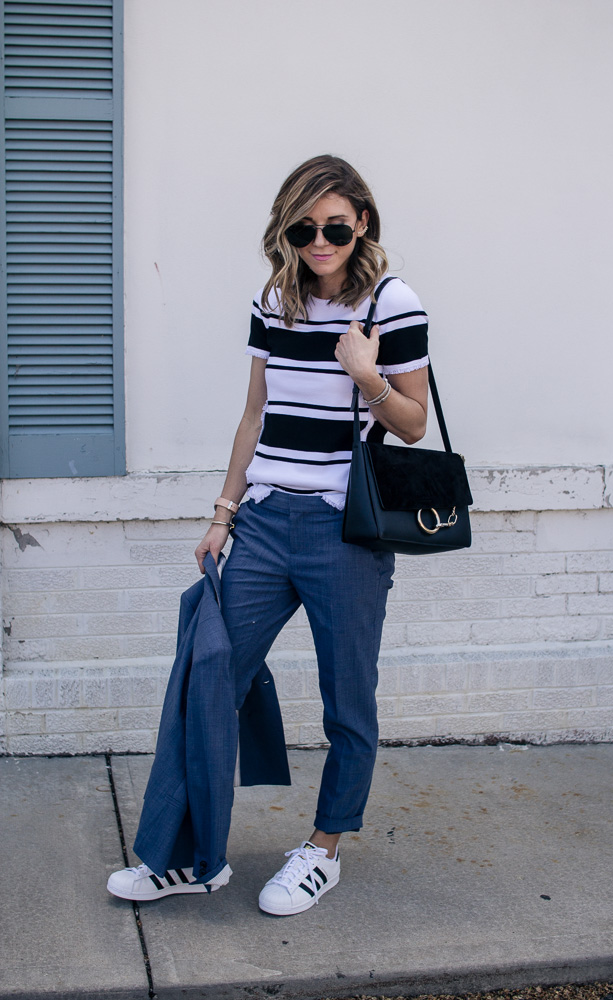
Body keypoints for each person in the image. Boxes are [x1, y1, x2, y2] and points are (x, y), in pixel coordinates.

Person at [108, 154, 429, 915]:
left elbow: (414, 424)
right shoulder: (272, 299)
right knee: (206, 673)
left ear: (362, 224)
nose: (319, 242)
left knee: (346, 699)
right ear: (284, 232)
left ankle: (323, 850)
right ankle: (188, 857)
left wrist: (366, 375)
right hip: (261, 522)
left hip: (344, 532)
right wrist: (223, 513)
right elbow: (254, 414)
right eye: (302, 229)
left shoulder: (392, 303)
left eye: (336, 228)